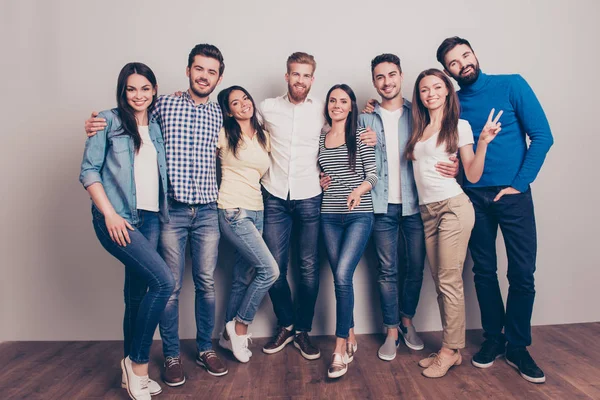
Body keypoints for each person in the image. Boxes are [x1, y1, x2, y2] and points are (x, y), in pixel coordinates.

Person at [84, 44, 229, 384]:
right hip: (170, 212)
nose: (204, 75)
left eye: (211, 71)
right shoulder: (162, 104)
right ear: (188, 71)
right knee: (169, 284)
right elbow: (121, 120)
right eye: (198, 68)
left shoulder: (221, 112)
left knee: (206, 284)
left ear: (219, 77)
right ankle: (171, 356)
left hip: (207, 209)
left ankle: (206, 348)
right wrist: (95, 124)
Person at [435, 36, 553, 384]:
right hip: (472, 198)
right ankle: (493, 338)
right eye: (454, 63)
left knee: (521, 272)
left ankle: (517, 346)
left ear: (474, 55)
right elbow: (434, 129)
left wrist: (519, 183)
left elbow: (543, 136)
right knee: (483, 272)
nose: (463, 64)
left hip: (513, 196)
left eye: (466, 56)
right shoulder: (452, 101)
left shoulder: (511, 85)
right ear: (447, 71)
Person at [335, 54, 459, 361]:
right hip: (379, 206)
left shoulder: (418, 112)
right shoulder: (364, 118)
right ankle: (391, 330)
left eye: (392, 75)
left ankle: (407, 322)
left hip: (418, 203)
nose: (386, 81)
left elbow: (443, 139)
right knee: (386, 270)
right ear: (374, 82)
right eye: (380, 77)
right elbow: (342, 152)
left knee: (415, 269)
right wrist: (326, 175)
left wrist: (455, 163)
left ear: (401, 76)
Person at [79, 62, 175, 400]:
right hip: (117, 220)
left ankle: (127, 374)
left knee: (136, 295)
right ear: (123, 91)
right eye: (132, 89)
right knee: (164, 282)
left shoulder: (158, 127)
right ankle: (137, 366)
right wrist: (110, 216)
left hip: (149, 218)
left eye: (145, 88)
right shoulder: (107, 121)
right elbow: (89, 172)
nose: (139, 95)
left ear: (153, 91)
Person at [405, 68, 501, 378]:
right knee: (441, 282)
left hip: (453, 208)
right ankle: (452, 348)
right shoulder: (419, 127)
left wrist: (484, 141)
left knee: (449, 281)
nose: (430, 93)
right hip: (427, 211)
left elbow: (471, 174)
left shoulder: (459, 126)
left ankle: (449, 350)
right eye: (423, 89)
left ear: (448, 91)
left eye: (436, 87)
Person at [259, 52, 325, 360]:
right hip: (274, 196)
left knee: (309, 268)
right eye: (295, 74)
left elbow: (343, 133)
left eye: (306, 75)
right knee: (273, 267)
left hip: (310, 195)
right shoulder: (267, 108)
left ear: (313, 79)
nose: (300, 80)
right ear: (287, 76)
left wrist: (369, 111)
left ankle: (303, 331)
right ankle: (285, 323)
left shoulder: (323, 110)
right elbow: (239, 125)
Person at [214, 85, 279, 363]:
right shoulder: (224, 133)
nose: (243, 104)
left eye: (246, 99)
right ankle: (240, 326)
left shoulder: (264, 135)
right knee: (269, 270)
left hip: (257, 210)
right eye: (235, 103)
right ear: (228, 110)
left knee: (243, 276)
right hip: (233, 209)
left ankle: (227, 339)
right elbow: (189, 140)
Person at [319, 84, 378, 379]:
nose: (337, 105)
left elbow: (373, 175)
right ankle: (351, 333)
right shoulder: (321, 136)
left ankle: (339, 349)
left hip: (358, 214)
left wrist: (358, 190)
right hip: (328, 216)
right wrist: (320, 178)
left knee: (342, 275)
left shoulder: (361, 135)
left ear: (351, 106)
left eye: (343, 101)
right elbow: (320, 170)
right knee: (340, 279)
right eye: (333, 100)